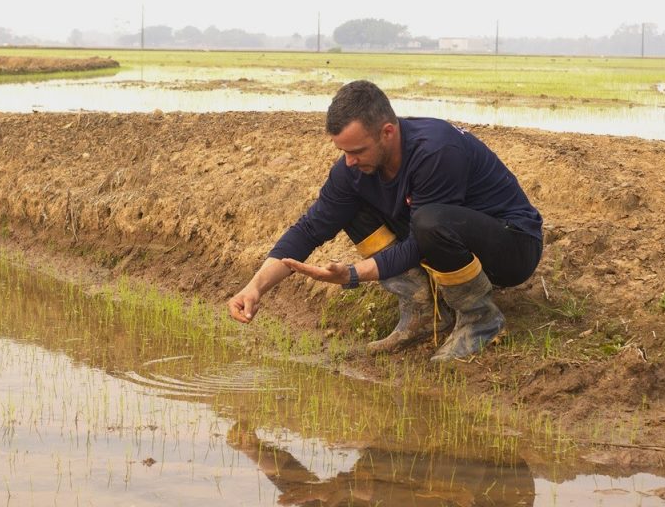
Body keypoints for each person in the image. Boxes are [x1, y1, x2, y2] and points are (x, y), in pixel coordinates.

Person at [227, 80, 542, 362]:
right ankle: (423, 310)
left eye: (357, 151)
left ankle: (480, 318)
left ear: (387, 132)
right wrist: (255, 288)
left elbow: (422, 240)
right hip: (443, 236)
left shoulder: (436, 151)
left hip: (511, 246)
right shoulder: (352, 169)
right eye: (343, 152)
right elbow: (310, 228)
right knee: (353, 208)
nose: (349, 161)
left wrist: (352, 274)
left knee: (430, 222)